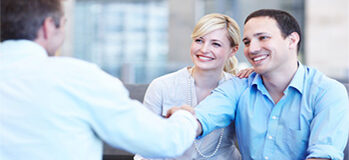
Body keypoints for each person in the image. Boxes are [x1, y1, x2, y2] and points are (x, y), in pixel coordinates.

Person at [0, 0, 199, 159]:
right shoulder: (76, 77)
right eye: (64, 23)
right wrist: (184, 117)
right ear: (48, 26)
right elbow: (166, 142)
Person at [167, 9, 349, 160]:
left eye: (263, 38)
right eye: (247, 42)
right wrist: (184, 121)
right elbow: (204, 116)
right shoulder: (238, 86)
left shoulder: (328, 92)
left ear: (292, 40)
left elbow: (323, 154)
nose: (252, 49)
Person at [135, 13, 254, 160]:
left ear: (233, 50)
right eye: (199, 40)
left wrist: (259, 74)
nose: (204, 49)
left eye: (215, 44)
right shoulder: (162, 86)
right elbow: (146, 145)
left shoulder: (240, 88)